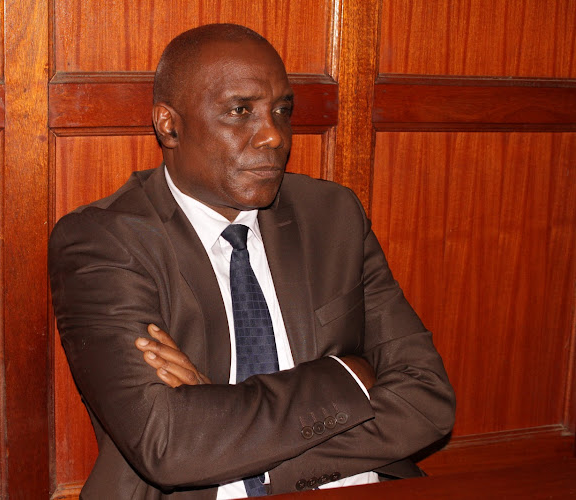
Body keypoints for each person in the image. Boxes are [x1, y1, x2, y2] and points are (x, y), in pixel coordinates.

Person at [49, 23, 455, 500]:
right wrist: (349, 377)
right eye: (241, 111)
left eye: (282, 111)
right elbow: (171, 445)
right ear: (169, 124)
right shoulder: (105, 241)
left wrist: (227, 419)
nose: (273, 136)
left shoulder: (332, 215)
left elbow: (427, 398)